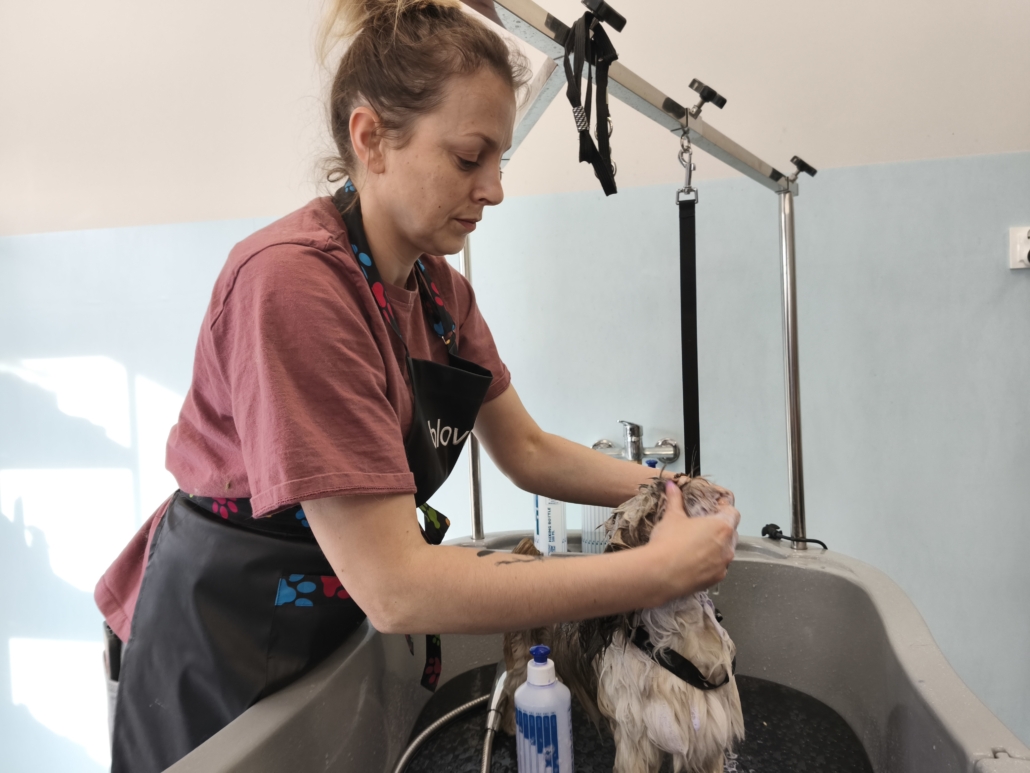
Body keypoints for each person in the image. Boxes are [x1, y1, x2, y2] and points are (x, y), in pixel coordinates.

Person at [94, 0, 740, 770]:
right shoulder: (292, 286)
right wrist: (655, 571)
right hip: (217, 647)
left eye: (499, 160)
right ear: (371, 138)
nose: (494, 188)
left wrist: (675, 492)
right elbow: (397, 586)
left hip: (330, 626)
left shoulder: (439, 294)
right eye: (469, 158)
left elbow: (528, 449)